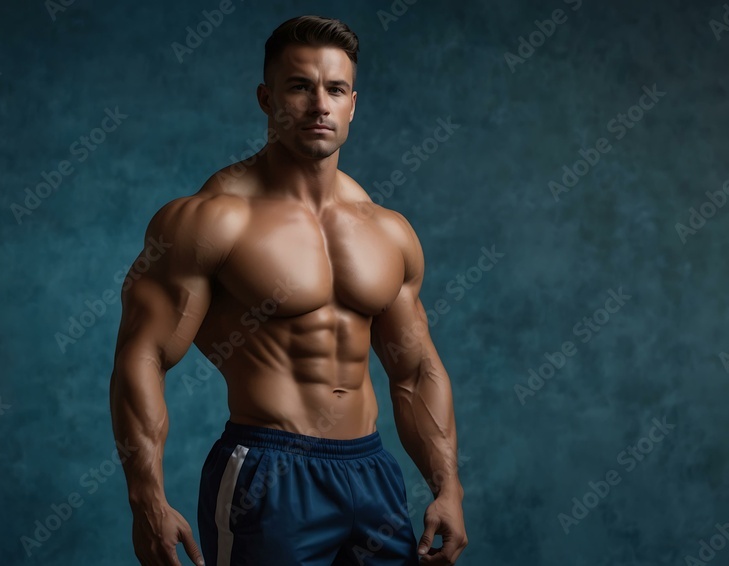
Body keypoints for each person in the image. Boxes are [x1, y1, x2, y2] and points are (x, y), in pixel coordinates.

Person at [109, 14, 467, 566]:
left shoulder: (388, 230)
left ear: (353, 103)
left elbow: (415, 370)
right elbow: (143, 355)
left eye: (335, 89)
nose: (319, 104)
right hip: (269, 475)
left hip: (372, 472)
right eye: (300, 86)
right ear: (266, 97)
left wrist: (447, 487)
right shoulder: (213, 220)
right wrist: (146, 500)